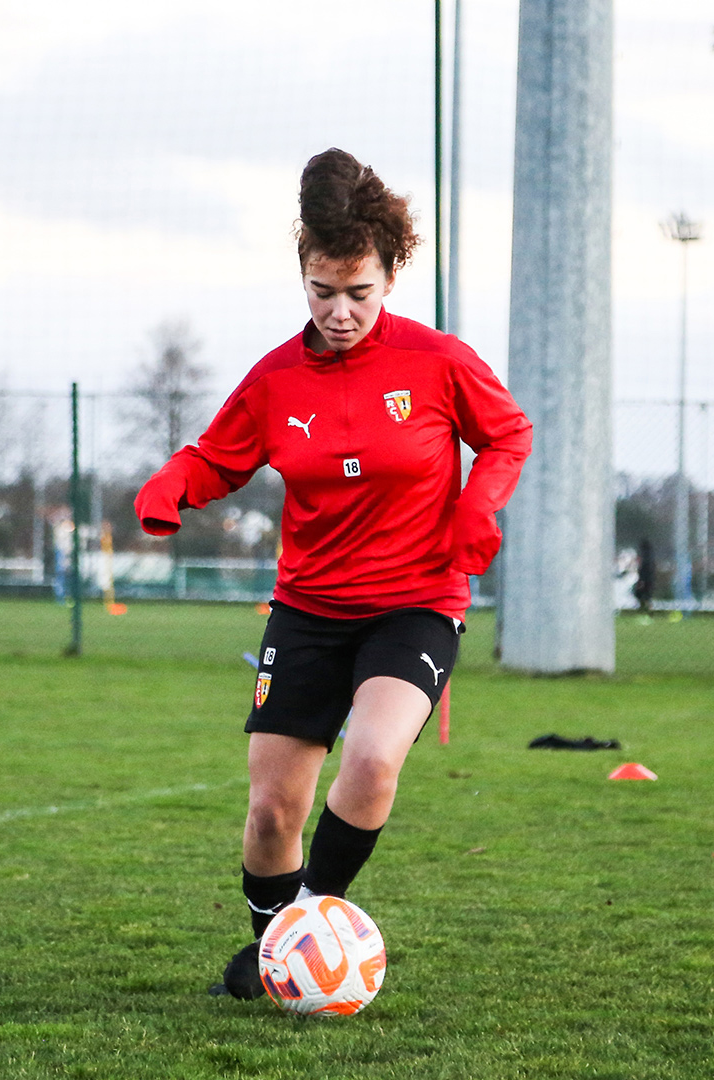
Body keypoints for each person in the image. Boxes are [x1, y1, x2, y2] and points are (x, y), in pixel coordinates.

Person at [134, 148, 532, 999]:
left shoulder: (438, 361)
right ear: (303, 277)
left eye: (360, 292)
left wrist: (478, 508)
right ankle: (277, 944)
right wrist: (174, 484)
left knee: (374, 760)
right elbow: (218, 455)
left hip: (416, 603)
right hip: (309, 610)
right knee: (274, 810)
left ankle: (307, 927)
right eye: (323, 292)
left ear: (390, 275)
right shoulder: (278, 378)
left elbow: (507, 436)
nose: (342, 311)